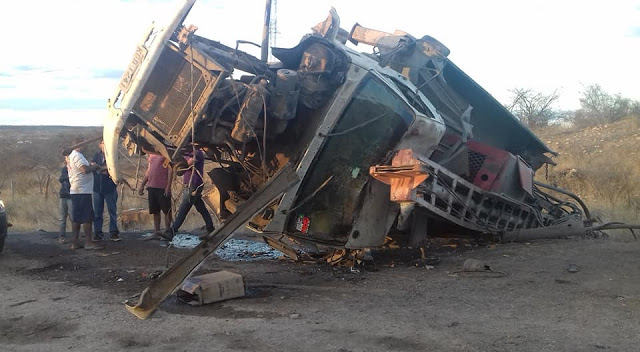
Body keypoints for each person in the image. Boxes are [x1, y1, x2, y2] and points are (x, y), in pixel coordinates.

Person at [165, 147, 214, 239]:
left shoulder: (197, 153)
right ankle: (210, 229)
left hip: (193, 184)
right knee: (202, 209)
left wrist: (178, 163)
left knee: (184, 209)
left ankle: (172, 231)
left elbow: (186, 165)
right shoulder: (187, 153)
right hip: (190, 184)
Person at [67, 138, 103, 250]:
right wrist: (95, 167)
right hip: (82, 190)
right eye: (84, 144)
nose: (85, 146)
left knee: (77, 218)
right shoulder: (77, 155)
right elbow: (84, 170)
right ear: (79, 145)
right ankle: (88, 242)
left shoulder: (72, 155)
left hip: (77, 189)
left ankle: (75, 242)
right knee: (87, 217)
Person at [138, 152, 173, 237]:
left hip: (162, 187)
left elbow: (170, 170)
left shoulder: (165, 152)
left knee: (166, 211)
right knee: (155, 211)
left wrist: (168, 186)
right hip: (152, 186)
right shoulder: (151, 153)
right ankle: (157, 232)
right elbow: (149, 170)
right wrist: (142, 185)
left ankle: (168, 231)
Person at [92, 139, 120, 241]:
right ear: (100, 145)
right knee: (97, 212)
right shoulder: (96, 155)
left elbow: (113, 168)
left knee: (112, 211)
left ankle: (113, 232)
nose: (105, 145)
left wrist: (100, 168)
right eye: (103, 143)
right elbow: (94, 168)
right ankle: (98, 233)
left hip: (110, 187)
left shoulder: (113, 155)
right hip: (97, 187)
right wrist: (104, 168)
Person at [58, 156, 72, 244]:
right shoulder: (64, 169)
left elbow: (63, 179)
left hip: (71, 195)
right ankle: (62, 236)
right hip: (64, 195)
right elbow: (61, 179)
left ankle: (75, 237)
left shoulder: (75, 169)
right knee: (62, 218)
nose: (66, 160)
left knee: (73, 217)